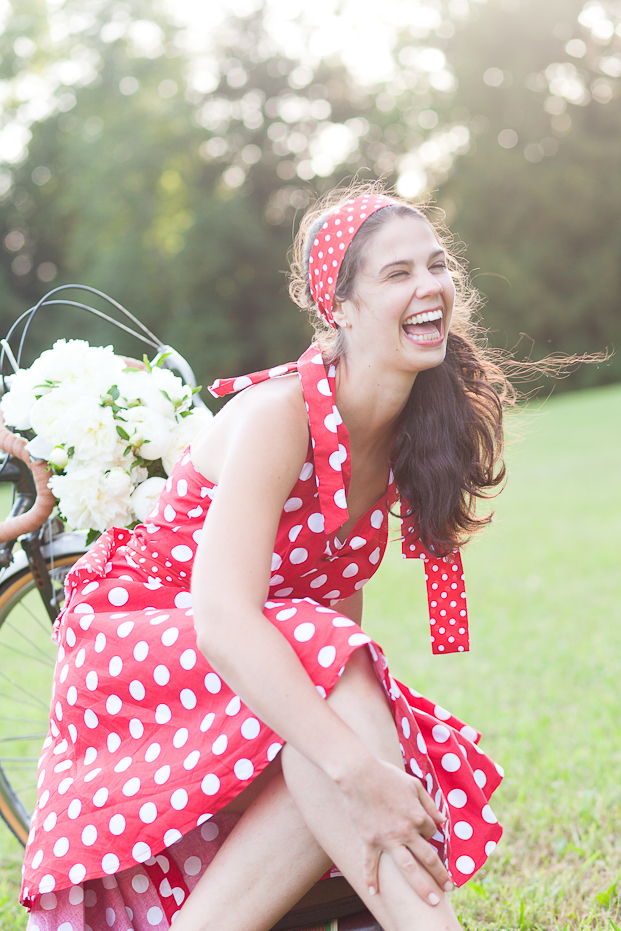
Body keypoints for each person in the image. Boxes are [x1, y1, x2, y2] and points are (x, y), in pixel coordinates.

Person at [22, 184, 508, 931]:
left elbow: (328, 612)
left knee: (344, 709)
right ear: (337, 309)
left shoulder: (406, 430)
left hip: (256, 648)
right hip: (141, 637)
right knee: (345, 718)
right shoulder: (279, 416)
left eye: (436, 266)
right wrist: (358, 771)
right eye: (396, 273)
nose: (429, 287)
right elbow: (222, 617)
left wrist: (354, 760)